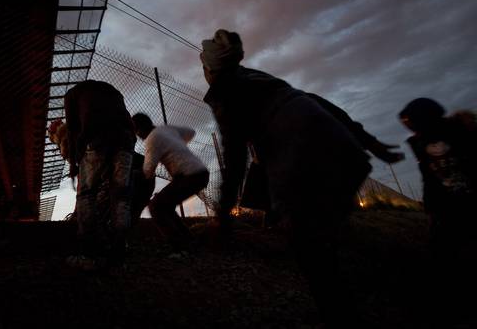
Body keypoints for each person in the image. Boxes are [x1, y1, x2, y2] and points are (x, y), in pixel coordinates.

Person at [200, 29, 372, 327]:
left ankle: (341, 315)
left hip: (303, 163)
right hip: (345, 153)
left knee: (314, 255)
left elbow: (235, 157)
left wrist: (222, 215)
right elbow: (317, 102)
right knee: (323, 240)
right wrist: (366, 139)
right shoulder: (261, 79)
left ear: (208, 70)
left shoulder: (225, 92)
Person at [241, 92, 405, 228]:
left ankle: (313, 221)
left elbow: (343, 120)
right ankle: (278, 218)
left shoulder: (303, 106)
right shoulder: (261, 121)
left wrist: (370, 143)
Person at [399, 98, 477, 324]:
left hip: (468, 204)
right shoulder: (420, 143)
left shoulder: (462, 133)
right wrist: (431, 204)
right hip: (447, 209)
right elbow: (429, 175)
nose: (409, 128)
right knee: (444, 255)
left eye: (410, 122)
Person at [63, 80, 136, 271]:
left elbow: (72, 130)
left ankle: (88, 254)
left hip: (96, 136)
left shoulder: (72, 95)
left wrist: (73, 163)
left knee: (86, 194)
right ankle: (119, 257)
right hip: (126, 139)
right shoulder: (113, 90)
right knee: (121, 196)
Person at [132, 113, 209, 254]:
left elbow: (148, 171)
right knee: (165, 206)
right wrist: (176, 144)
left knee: (155, 206)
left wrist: (136, 175)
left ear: (141, 129)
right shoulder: (166, 130)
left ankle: (180, 247)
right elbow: (191, 132)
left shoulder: (152, 139)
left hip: (190, 176)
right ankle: (189, 241)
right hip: (200, 173)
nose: (138, 136)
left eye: (137, 131)